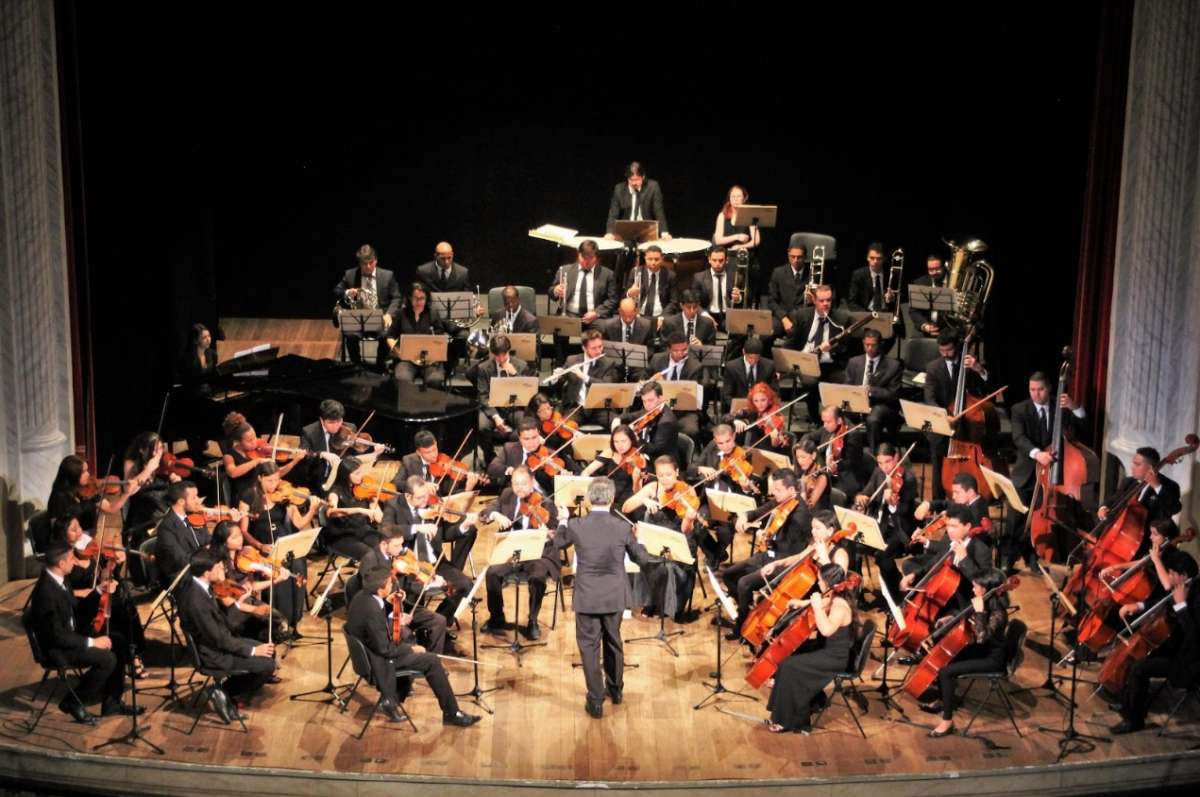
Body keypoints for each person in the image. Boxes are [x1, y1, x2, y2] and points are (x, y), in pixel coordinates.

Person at [555, 477, 658, 718]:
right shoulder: (622, 527)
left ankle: (596, 701)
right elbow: (641, 559)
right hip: (614, 595)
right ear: (611, 499)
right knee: (613, 641)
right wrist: (640, 539)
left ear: (589, 500)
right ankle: (616, 690)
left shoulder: (576, 525)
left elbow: (558, 542)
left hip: (587, 596)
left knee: (589, 647)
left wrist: (562, 520)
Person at [344, 564, 481, 726]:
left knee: (409, 640)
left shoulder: (362, 597)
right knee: (431, 660)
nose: (392, 585)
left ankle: (393, 698)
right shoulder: (372, 611)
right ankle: (452, 713)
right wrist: (412, 649)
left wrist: (390, 605)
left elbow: (376, 629)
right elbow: (385, 649)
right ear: (381, 589)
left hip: (368, 655)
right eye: (390, 583)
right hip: (377, 662)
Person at [29, 543, 141, 724]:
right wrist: (92, 642)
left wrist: (98, 591)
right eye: (71, 559)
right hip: (58, 648)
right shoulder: (45, 593)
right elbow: (57, 636)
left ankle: (112, 703)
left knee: (119, 641)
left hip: (71, 636)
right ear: (61, 564)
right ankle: (72, 702)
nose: (75, 562)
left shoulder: (61, 579)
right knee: (107, 659)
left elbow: (77, 609)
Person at [1108, 533, 1199, 734]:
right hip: (1173, 646)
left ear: (1184, 575)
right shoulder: (1182, 587)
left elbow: (1194, 637)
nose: (1169, 577)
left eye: (1172, 573)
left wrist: (1182, 606)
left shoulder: (1196, 597)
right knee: (1136, 655)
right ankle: (1129, 704)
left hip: (1188, 661)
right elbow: (1162, 601)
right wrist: (1138, 606)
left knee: (1140, 668)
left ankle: (1135, 720)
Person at [177, 549, 278, 724]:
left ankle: (232, 690)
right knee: (268, 665)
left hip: (220, 642)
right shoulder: (196, 601)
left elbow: (222, 625)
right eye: (218, 567)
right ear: (206, 572)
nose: (222, 569)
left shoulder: (200, 586)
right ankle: (223, 691)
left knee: (270, 652)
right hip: (213, 654)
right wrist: (253, 650)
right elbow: (219, 639)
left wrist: (240, 601)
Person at [1003, 371, 1086, 572]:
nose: (1036, 394)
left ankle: (1033, 557)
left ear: (1049, 389)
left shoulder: (1061, 407)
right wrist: (1037, 454)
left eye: (1040, 389)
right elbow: (1019, 438)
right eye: (1032, 389)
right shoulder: (1019, 409)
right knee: (1016, 519)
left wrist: (1075, 407)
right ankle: (1009, 558)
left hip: (1051, 475)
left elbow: (1082, 423)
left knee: (1039, 520)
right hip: (1026, 472)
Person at [49, 514, 148, 680]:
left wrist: (113, 565)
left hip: (96, 598)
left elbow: (103, 573)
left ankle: (133, 654)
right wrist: (85, 592)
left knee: (126, 605)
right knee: (119, 611)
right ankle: (128, 659)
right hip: (79, 607)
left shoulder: (90, 549)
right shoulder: (61, 559)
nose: (80, 532)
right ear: (62, 535)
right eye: (73, 530)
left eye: (79, 527)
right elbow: (59, 591)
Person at [764, 562, 856, 734]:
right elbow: (822, 603)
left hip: (834, 657)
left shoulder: (840, 607)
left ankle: (789, 721)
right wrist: (800, 603)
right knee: (788, 658)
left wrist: (816, 607)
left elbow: (826, 630)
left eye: (820, 580)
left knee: (790, 666)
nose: (818, 583)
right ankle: (790, 710)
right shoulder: (833, 597)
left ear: (828, 582)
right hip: (825, 648)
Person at [724, 468, 812, 640]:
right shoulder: (782, 501)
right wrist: (744, 517)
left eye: (777, 490)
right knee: (728, 575)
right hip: (769, 554)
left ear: (791, 490)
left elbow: (793, 550)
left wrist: (766, 536)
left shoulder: (801, 516)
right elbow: (758, 512)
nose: (773, 493)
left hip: (783, 564)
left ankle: (742, 627)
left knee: (743, 583)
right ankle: (749, 611)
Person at [924, 568, 1011, 737]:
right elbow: (968, 616)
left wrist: (979, 613)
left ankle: (947, 722)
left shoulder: (999, 613)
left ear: (986, 589)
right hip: (982, 651)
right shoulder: (985, 601)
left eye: (976, 586)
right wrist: (951, 618)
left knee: (946, 672)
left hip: (992, 659)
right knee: (945, 658)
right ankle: (944, 699)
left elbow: (981, 638)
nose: (973, 589)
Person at [479, 466, 561, 639]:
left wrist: (547, 534)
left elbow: (556, 533)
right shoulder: (507, 495)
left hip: (538, 553)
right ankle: (496, 617)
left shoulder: (546, 503)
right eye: (515, 483)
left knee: (538, 577)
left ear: (532, 482)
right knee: (492, 573)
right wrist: (495, 515)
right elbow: (485, 512)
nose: (519, 488)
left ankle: (533, 620)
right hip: (513, 551)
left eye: (523, 484)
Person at [381, 476, 477, 624]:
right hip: (410, 564)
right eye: (420, 497)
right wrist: (416, 528)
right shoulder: (394, 505)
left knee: (465, 585)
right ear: (408, 496)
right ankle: (420, 627)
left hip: (435, 561)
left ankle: (439, 621)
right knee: (414, 592)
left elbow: (445, 534)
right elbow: (386, 529)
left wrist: (463, 527)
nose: (425, 500)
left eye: (426, 495)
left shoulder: (433, 505)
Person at [621, 455, 701, 623]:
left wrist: (689, 518)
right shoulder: (653, 487)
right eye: (660, 475)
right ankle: (651, 600)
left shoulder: (688, 491)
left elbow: (686, 530)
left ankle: (668, 604)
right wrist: (644, 499)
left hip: (679, 543)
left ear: (677, 472)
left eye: (669, 474)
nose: (664, 479)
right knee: (642, 557)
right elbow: (625, 508)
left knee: (668, 566)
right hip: (654, 542)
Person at [235, 461, 314, 627]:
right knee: (279, 576)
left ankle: (295, 617)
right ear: (260, 478)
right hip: (262, 547)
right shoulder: (249, 496)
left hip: (283, 543)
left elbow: (299, 523)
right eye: (269, 480)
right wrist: (260, 546)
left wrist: (313, 508)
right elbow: (243, 530)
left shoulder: (284, 495)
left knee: (299, 566)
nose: (274, 484)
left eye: (277, 479)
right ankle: (281, 621)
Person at [357, 522, 450, 655]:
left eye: (401, 544)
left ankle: (431, 660)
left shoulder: (394, 557)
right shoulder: (370, 561)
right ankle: (412, 663)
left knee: (439, 621)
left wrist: (427, 581)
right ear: (384, 544)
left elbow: (404, 584)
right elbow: (370, 597)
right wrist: (395, 616)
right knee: (406, 634)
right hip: (382, 613)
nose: (401, 548)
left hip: (400, 606)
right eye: (396, 545)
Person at [922, 330, 989, 500]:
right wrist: (943, 416)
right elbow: (929, 397)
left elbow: (987, 386)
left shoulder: (970, 364)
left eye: (949, 350)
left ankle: (970, 497)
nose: (945, 354)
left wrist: (979, 369)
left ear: (957, 347)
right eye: (942, 350)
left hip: (968, 421)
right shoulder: (933, 368)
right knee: (938, 458)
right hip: (943, 421)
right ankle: (937, 501)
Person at [854, 442, 919, 604]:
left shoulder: (909, 479)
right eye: (880, 463)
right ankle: (857, 593)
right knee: (852, 544)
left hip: (900, 530)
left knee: (882, 556)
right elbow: (866, 492)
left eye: (888, 462)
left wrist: (892, 504)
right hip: (879, 526)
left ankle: (898, 597)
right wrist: (861, 497)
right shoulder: (879, 472)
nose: (884, 467)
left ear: (896, 458)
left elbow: (904, 512)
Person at [899, 505, 993, 613]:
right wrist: (914, 574)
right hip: (942, 596)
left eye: (954, 526)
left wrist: (965, 559)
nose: (950, 530)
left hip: (962, 604)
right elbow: (935, 562)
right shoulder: (948, 540)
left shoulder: (982, 550)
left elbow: (984, 585)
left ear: (967, 526)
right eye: (948, 525)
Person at [208, 522, 291, 642]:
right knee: (270, 628)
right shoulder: (219, 565)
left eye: (240, 535)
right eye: (234, 537)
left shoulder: (244, 556)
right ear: (224, 542)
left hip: (247, 600)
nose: (240, 539)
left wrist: (275, 581)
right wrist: (254, 609)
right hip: (233, 611)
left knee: (280, 621)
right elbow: (227, 601)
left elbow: (253, 586)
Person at [689, 423, 759, 564]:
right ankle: (716, 555)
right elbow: (691, 468)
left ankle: (714, 559)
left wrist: (745, 486)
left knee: (725, 532)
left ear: (734, 436)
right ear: (715, 441)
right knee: (696, 526)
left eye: (728, 441)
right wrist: (701, 469)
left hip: (732, 505)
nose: (725, 446)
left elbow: (750, 490)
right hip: (710, 501)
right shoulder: (711, 447)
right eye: (720, 443)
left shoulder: (745, 455)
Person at [785, 284, 852, 422]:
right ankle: (815, 418)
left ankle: (836, 419)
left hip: (831, 364)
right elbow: (791, 342)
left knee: (845, 380)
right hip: (807, 363)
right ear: (814, 300)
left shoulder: (841, 319)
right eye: (821, 301)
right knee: (810, 382)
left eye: (828, 300)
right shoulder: (802, 315)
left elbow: (846, 348)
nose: (826, 304)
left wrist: (832, 348)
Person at [333, 244, 401, 369]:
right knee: (350, 335)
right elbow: (337, 290)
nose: (368, 266)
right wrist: (347, 292)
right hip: (359, 319)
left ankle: (379, 366)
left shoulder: (387, 275)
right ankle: (357, 366)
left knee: (386, 334)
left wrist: (389, 314)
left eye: (371, 262)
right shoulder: (350, 274)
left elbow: (396, 298)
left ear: (376, 260)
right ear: (359, 263)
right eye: (364, 264)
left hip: (381, 319)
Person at [466, 334, 531, 464]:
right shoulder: (484, 368)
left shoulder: (521, 366)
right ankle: (490, 457)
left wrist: (515, 375)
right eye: (497, 355)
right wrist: (495, 416)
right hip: (492, 407)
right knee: (482, 426)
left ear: (509, 351)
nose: (501, 359)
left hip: (514, 408)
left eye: (504, 355)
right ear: (492, 353)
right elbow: (483, 395)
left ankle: (517, 458)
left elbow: (527, 394)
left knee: (525, 426)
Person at [46, 454, 138, 539]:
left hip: (89, 537)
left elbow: (111, 508)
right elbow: (57, 530)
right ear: (73, 475)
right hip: (71, 541)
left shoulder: (88, 489)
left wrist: (127, 494)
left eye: (87, 470)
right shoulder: (58, 497)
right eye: (83, 472)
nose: (88, 474)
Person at [386, 281, 458, 387]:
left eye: (422, 298)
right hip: (407, 360)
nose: (419, 301)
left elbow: (440, 337)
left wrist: (437, 351)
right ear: (410, 298)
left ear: (427, 298)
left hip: (430, 361)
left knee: (435, 379)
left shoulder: (433, 313)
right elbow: (390, 336)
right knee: (402, 378)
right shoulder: (402, 314)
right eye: (416, 298)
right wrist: (398, 351)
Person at [843, 328, 903, 451]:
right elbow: (847, 386)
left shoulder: (893, 365)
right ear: (863, 343)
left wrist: (871, 391)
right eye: (867, 345)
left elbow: (893, 394)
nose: (869, 348)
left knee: (873, 419)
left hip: (881, 405)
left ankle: (874, 453)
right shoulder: (854, 362)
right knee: (835, 411)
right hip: (857, 403)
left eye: (873, 345)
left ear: (880, 344)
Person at [487, 418, 580, 495]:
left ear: (539, 434)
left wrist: (564, 477)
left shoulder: (551, 449)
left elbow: (576, 472)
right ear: (520, 439)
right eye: (526, 439)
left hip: (546, 498)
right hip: (518, 497)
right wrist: (512, 471)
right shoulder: (510, 448)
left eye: (534, 437)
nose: (531, 442)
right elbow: (493, 468)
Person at [1097, 446, 1183, 529]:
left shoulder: (1169, 485)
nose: (1132, 467)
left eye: (1137, 464)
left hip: (1148, 536)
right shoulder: (1128, 482)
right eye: (1133, 463)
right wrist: (1103, 507)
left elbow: (1174, 509)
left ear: (1150, 468)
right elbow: (1115, 498)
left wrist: (1157, 486)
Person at [644, 335, 705, 440]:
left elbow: (691, 398)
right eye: (676, 351)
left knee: (691, 429)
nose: (680, 354)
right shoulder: (656, 359)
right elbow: (644, 382)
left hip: (684, 411)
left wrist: (663, 385)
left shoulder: (695, 367)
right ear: (669, 349)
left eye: (684, 350)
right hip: (657, 407)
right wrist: (650, 381)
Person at [324, 456, 384, 560]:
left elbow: (379, 519)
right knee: (370, 555)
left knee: (386, 547)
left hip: (363, 530)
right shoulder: (335, 492)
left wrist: (374, 502)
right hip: (343, 536)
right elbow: (331, 512)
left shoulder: (365, 489)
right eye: (357, 473)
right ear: (346, 475)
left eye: (361, 472)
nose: (361, 476)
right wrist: (359, 510)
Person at [556, 329, 621, 427]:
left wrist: (584, 377)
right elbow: (562, 381)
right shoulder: (572, 360)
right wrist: (557, 377)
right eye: (594, 348)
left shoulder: (608, 363)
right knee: (564, 429)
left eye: (600, 346)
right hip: (577, 408)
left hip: (600, 409)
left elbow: (607, 385)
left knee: (617, 423)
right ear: (584, 348)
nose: (598, 351)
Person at [550, 239, 619, 325]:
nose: (586, 262)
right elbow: (551, 293)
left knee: (604, 328)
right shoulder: (565, 270)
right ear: (578, 254)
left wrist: (597, 313)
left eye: (590, 258)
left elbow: (613, 299)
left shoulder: (607, 274)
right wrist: (555, 291)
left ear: (596, 258)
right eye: (583, 258)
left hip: (595, 318)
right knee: (558, 328)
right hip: (569, 315)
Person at [805, 405, 866, 500]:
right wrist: (804, 448)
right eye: (823, 421)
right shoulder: (827, 427)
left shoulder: (852, 434)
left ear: (839, 421)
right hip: (825, 471)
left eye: (828, 422)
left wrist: (835, 466)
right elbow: (809, 437)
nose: (824, 425)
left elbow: (850, 462)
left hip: (844, 476)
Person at [401, 429, 483, 500]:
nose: (433, 455)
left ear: (436, 444)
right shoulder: (408, 461)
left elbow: (450, 495)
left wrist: (467, 489)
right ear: (419, 452)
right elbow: (397, 483)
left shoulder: (445, 463)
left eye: (434, 449)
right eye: (428, 452)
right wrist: (421, 485)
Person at [581, 425, 646, 508]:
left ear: (631, 440)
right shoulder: (610, 453)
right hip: (606, 495)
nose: (620, 445)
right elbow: (586, 471)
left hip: (627, 499)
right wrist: (585, 485)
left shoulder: (639, 458)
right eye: (616, 442)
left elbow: (638, 492)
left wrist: (636, 480)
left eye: (623, 441)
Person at [712, 185, 761, 295]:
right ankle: (730, 294)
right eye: (733, 196)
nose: (735, 199)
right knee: (730, 262)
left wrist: (740, 246)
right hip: (726, 255)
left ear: (744, 198)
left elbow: (756, 240)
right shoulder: (722, 216)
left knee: (742, 261)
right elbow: (718, 240)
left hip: (743, 254)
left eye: (738, 196)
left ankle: (742, 296)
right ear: (729, 198)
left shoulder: (749, 216)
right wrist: (737, 237)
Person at [605, 161, 671, 241]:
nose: (634, 183)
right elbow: (613, 214)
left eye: (637, 179)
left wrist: (664, 233)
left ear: (643, 177)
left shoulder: (653, 187)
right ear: (627, 178)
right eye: (631, 180)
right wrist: (609, 232)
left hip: (647, 230)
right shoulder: (619, 189)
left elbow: (658, 211)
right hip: (626, 232)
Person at [616, 381, 680, 462]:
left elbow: (656, 450)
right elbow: (632, 416)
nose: (647, 404)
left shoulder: (666, 422)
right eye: (644, 401)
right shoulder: (651, 409)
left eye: (650, 400)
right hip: (647, 454)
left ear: (660, 398)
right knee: (613, 454)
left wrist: (636, 439)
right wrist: (617, 419)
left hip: (661, 462)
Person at [298, 399, 353, 492]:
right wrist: (321, 454)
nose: (336, 426)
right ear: (322, 420)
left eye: (339, 421)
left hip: (340, 480)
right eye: (331, 423)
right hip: (317, 480)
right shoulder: (309, 432)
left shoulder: (350, 429)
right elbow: (304, 455)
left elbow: (355, 454)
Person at [728, 382, 791, 455]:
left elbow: (776, 443)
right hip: (751, 450)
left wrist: (772, 426)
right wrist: (736, 420)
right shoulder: (751, 411)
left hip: (768, 452)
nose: (759, 404)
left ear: (769, 399)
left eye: (763, 400)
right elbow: (730, 417)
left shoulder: (776, 414)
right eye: (756, 401)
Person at [766, 244, 810, 339]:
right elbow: (771, 301)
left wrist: (812, 299)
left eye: (799, 257)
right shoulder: (778, 273)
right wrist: (784, 318)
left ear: (805, 257)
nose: (795, 260)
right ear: (788, 256)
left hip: (802, 317)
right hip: (782, 316)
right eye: (792, 257)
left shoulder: (812, 274)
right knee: (766, 333)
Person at [692, 246, 741, 329]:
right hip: (708, 314)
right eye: (714, 260)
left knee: (740, 331)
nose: (717, 264)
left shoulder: (736, 277)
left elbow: (746, 299)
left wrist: (738, 298)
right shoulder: (699, 278)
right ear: (709, 260)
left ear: (727, 260)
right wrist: (705, 315)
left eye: (721, 260)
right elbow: (694, 301)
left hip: (729, 315)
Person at [624, 244, 678, 319]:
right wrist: (630, 293)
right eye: (650, 259)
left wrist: (663, 316)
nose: (653, 262)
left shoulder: (670, 275)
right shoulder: (636, 272)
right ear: (645, 258)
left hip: (661, 315)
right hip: (639, 315)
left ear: (662, 259)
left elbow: (674, 301)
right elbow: (625, 295)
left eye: (656, 259)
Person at [721, 335, 777, 405]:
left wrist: (764, 404)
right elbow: (726, 394)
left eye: (756, 358)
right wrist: (737, 406)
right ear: (743, 352)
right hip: (739, 406)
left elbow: (774, 391)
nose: (753, 361)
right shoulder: (731, 367)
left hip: (762, 406)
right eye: (750, 357)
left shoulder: (769, 366)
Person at [908, 253, 950, 338]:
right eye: (931, 270)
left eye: (937, 269)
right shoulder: (919, 283)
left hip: (948, 328)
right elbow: (913, 311)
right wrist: (925, 326)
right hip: (926, 327)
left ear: (944, 267)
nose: (934, 272)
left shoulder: (953, 282)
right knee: (914, 342)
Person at [845, 242, 892, 313]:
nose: (875, 261)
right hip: (866, 312)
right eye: (872, 258)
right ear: (867, 258)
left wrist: (893, 298)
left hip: (887, 312)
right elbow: (852, 302)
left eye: (879, 258)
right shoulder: (859, 275)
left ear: (884, 259)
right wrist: (865, 314)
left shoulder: (891, 274)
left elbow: (901, 299)